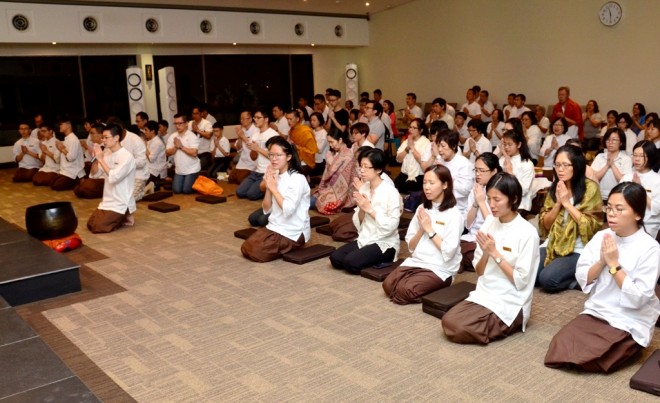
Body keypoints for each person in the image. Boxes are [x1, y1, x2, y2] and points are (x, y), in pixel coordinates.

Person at [544, 182, 660, 373]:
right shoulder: (602, 236)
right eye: (609, 208)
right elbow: (583, 276)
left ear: (638, 214)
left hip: (629, 317)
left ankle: (630, 345)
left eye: (619, 209)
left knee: (595, 357)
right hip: (599, 309)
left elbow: (640, 297)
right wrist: (601, 262)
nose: (611, 214)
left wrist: (614, 266)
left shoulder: (650, 248)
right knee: (560, 347)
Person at [442, 172, 540, 344]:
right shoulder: (489, 223)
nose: (491, 205)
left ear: (514, 199)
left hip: (511, 300)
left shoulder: (527, 233)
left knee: (460, 328)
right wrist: (487, 252)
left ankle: (513, 322)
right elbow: (479, 272)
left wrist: (495, 253)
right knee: (449, 320)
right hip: (485, 294)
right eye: (489, 199)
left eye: (497, 199)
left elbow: (521, 281)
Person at [383, 165, 463, 304]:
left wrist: (429, 230)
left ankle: (443, 284)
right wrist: (421, 230)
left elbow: (449, 251)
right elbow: (411, 245)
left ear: (445, 185)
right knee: (388, 285)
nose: (426, 187)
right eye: (425, 182)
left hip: (440, 268)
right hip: (417, 262)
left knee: (405, 291)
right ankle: (418, 282)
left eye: (432, 183)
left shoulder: (454, 214)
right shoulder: (422, 208)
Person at [537, 145, 604, 293]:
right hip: (553, 244)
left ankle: (576, 280)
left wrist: (567, 204)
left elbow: (592, 226)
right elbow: (545, 225)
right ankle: (565, 272)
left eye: (566, 165)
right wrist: (558, 204)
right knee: (532, 275)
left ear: (577, 165)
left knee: (547, 280)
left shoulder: (590, 188)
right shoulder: (555, 188)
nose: (560, 169)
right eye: (557, 165)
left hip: (578, 249)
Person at [329, 148, 401, 274]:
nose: (362, 170)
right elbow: (359, 223)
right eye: (361, 166)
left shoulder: (391, 192)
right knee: (335, 258)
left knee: (350, 262)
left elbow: (391, 226)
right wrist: (362, 209)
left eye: (366, 167)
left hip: (384, 241)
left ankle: (382, 260)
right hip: (366, 237)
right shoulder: (364, 188)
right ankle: (366, 257)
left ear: (378, 170)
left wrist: (369, 209)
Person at [241, 136, 310, 262]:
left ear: (288, 157)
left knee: (256, 253)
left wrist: (274, 188)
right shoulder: (277, 174)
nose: (273, 159)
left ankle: (296, 245)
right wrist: (268, 186)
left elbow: (288, 210)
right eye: (271, 155)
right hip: (275, 226)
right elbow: (266, 209)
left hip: (292, 232)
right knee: (246, 247)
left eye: (278, 155)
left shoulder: (297, 179)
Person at [86, 124, 137, 233]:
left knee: (98, 227)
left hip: (122, 201)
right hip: (108, 200)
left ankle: (125, 214)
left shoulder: (127, 156)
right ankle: (121, 218)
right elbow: (94, 175)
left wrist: (101, 159)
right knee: (90, 224)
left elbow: (114, 177)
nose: (103, 140)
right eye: (102, 137)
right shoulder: (106, 153)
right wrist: (96, 157)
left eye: (106, 137)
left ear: (116, 138)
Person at [461, 152, 502, 272]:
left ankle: (463, 260)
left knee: (466, 254)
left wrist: (481, 202)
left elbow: (493, 225)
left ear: (494, 171)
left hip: (490, 238)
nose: (477, 174)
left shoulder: (499, 192)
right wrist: (475, 203)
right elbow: (467, 224)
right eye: (476, 170)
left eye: (482, 170)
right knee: (450, 245)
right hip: (473, 236)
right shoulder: (477, 189)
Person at [428, 129, 474, 217]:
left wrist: (447, 178)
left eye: (443, 146)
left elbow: (465, 190)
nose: (440, 150)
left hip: (457, 208)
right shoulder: (440, 161)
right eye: (438, 146)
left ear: (453, 146)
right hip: (439, 204)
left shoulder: (465, 164)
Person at [621, 140, 660, 239]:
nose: (637, 159)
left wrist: (639, 188)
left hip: (648, 225)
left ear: (650, 157)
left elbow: (657, 208)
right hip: (626, 223)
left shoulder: (657, 180)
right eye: (635, 155)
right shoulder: (626, 177)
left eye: (641, 156)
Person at [236, 109, 279, 200]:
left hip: (268, 172)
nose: (255, 119)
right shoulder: (255, 134)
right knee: (240, 192)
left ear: (266, 119)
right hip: (257, 171)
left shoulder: (273, 135)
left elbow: (275, 157)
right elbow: (253, 157)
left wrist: (258, 148)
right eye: (255, 117)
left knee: (252, 195)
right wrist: (253, 149)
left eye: (258, 117)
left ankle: (271, 188)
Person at [312, 129, 357, 214]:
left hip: (343, 192)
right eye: (329, 142)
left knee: (312, 202)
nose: (330, 145)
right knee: (310, 200)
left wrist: (330, 163)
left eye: (332, 142)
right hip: (330, 188)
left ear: (340, 140)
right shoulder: (337, 153)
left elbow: (341, 176)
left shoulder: (348, 156)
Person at [591, 128, 633, 203]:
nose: (610, 142)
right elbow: (593, 178)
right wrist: (607, 166)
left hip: (619, 198)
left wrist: (612, 165)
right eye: (608, 139)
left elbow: (624, 182)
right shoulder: (600, 156)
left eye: (614, 140)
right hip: (599, 197)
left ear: (621, 142)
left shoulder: (626, 159)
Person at [499, 129, 535, 212]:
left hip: (519, 205)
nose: (506, 147)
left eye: (510, 144)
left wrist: (510, 172)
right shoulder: (502, 159)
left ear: (519, 145)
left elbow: (523, 191)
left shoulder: (527, 163)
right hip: (502, 201)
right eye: (504, 144)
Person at [394, 118, 431, 194]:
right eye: (410, 127)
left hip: (418, 176)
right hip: (404, 174)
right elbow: (398, 159)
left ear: (421, 130)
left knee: (407, 189)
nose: (411, 129)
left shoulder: (426, 142)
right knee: (394, 188)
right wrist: (407, 148)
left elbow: (422, 161)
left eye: (414, 128)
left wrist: (412, 147)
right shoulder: (406, 141)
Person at [166, 113, 201, 194]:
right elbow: (167, 153)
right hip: (179, 170)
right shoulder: (173, 136)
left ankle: (197, 179)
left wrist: (181, 146)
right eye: (175, 123)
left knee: (187, 190)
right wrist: (176, 146)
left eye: (180, 123)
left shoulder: (192, 136)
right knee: (177, 190)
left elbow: (194, 153)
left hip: (192, 169)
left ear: (186, 124)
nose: (177, 126)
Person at [51, 119, 85, 190]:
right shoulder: (67, 138)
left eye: (61, 124)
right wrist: (60, 148)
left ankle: (78, 181)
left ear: (68, 126)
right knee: (51, 183)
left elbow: (71, 158)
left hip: (73, 171)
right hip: (65, 170)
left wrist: (62, 149)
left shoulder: (73, 139)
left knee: (56, 186)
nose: (59, 126)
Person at [285, 109, 318, 175]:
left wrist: (296, 146)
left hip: (304, 161)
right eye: (287, 119)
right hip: (294, 159)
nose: (288, 121)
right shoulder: (291, 130)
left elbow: (312, 151)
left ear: (297, 119)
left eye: (290, 119)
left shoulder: (305, 131)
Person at [229, 110, 258, 185]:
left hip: (252, 161)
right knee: (231, 178)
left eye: (243, 119)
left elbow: (252, 147)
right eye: (240, 119)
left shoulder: (256, 130)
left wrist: (243, 136)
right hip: (243, 160)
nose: (241, 121)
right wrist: (239, 136)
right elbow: (238, 148)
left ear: (250, 119)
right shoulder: (243, 130)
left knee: (240, 179)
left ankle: (252, 176)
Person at [143, 120, 167, 191]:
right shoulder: (150, 141)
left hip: (156, 171)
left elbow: (151, 159)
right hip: (150, 168)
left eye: (146, 130)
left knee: (141, 184)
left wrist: (145, 147)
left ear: (152, 131)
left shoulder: (157, 143)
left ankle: (155, 185)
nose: (145, 132)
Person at [189, 106, 214, 171]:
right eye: (193, 114)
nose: (194, 115)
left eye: (196, 113)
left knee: (196, 167)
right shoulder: (190, 123)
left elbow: (208, 136)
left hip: (205, 153)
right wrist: (192, 131)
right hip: (193, 152)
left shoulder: (206, 123)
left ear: (201, 114)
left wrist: (197, 130)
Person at [309, 112, 328, 177]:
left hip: (320, 162)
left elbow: (319, 150)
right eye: (311, 120)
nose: (312, 122)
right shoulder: (312, 131)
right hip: (313, 159)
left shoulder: (323, 133)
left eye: (314, 120)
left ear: (319, 121)